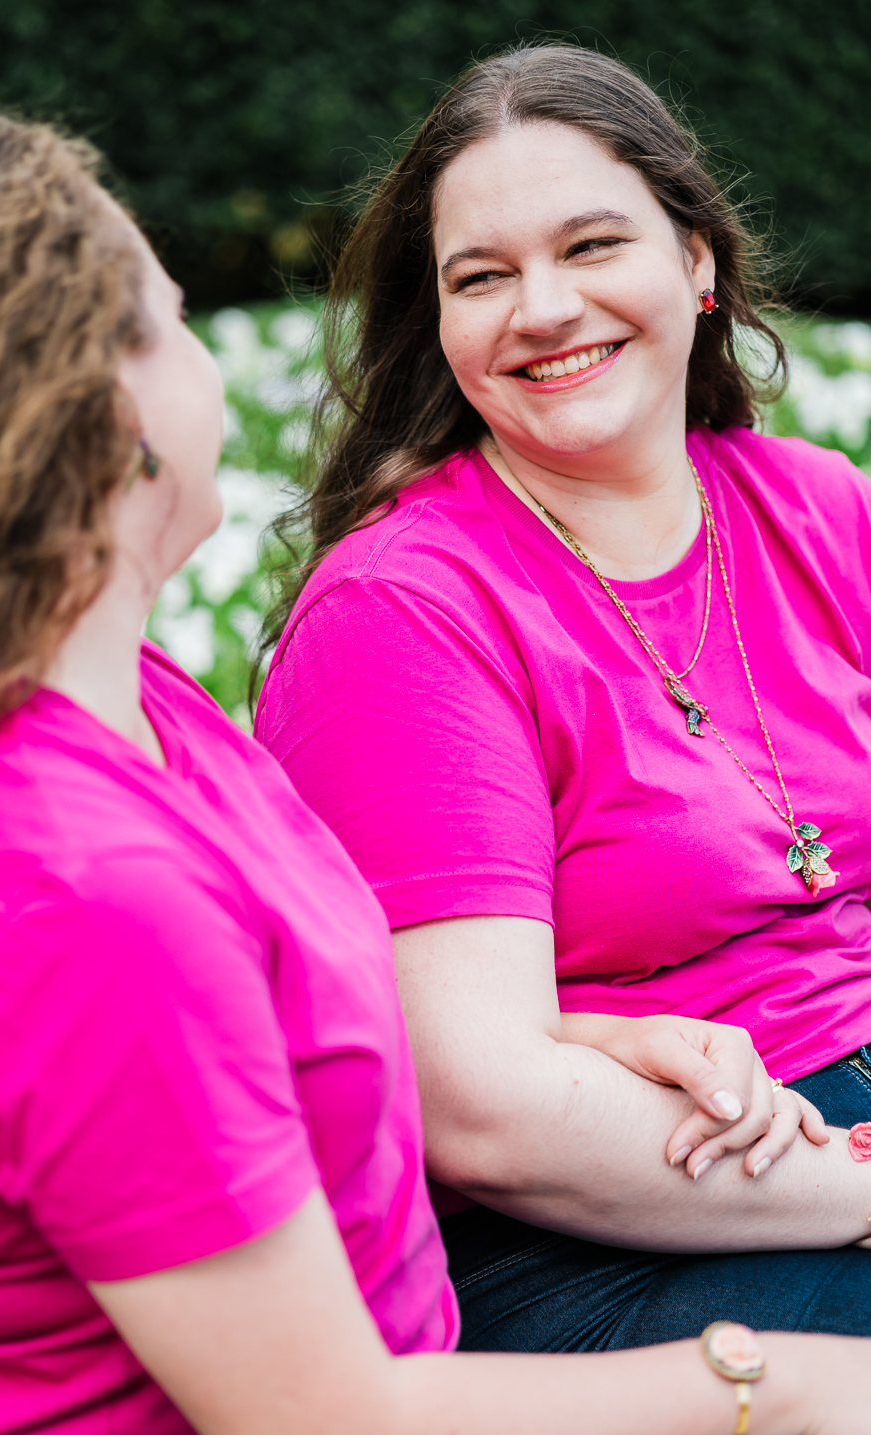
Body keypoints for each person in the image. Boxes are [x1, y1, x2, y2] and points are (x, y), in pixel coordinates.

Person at [0, 103, 871, 1435]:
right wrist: (776, 1387)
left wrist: (590, 1030)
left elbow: (307, 997)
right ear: (101, 415)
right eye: (174, 319)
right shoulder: (71, 882)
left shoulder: (143, 711)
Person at [254, 43, 871, 1352]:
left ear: (696, 261)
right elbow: (485, 1113)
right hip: (618, 1212)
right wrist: (851, 1190)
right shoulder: (406, 614)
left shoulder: (816, 507)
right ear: (441, 323)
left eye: (593, 245)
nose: (542, 307)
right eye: (483, 276)